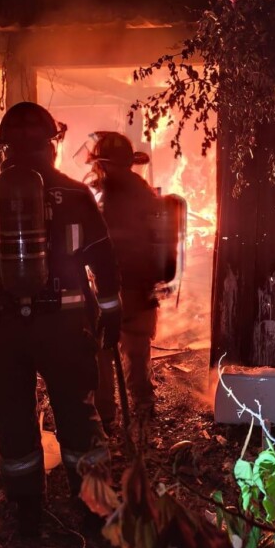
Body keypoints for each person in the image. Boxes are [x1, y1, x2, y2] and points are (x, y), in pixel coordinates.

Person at [0, 103, 121, 536]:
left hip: (2, 329)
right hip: (63, 327)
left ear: (4, 147)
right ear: (51, 144)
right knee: (76, 414)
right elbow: (103, 257)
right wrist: (112, 314)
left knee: (13, 416)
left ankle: (26, 509)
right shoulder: (76, 194)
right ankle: (94, 506)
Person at [86, 132, 159, 428]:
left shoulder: (103, 195)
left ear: (102, 164)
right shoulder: (145, 192)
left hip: (111, 286)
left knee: (104, 349)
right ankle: (143, 405)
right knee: (137, 350)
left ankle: (106, 413)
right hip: (141, 287)